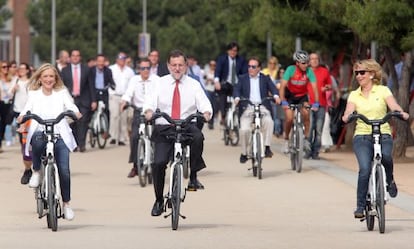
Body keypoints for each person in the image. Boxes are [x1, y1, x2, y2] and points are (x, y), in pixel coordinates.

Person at [143, 50, 212, 217]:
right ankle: (159, 200)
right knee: (159, 163)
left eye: (180, 65)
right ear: (168, 66)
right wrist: (149, 112)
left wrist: (206, 113)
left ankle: (193, 174)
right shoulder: (158, 83)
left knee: (198, 137)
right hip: (165, 126)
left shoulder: (194, 84)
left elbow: (204, 103)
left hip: (187, 124)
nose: (177, 68)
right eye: (174, 65)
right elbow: (149, 102)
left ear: (186, 66)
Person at [342, 59, 409, 219]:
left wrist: (401, 113)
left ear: (372, 74)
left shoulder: (383, 90)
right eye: (357, 73)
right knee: (364, 169)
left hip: (383, 133)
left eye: (362, 72)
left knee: (386, 157)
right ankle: (360, 205)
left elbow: (393, 106)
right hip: (362, 135)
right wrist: (347, 116)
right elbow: (349, 110)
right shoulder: (354, 94)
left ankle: (389, 180)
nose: (359, 76)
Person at [17, 63, 82, 221]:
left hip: (59, 133)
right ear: (39, 78)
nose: (48, 79)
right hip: (40, 131)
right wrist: (22, 117)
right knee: (37, 144)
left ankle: (66, 204)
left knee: (64, 170)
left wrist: (76, 112)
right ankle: (37, 171)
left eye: (51, 76)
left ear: (55, 78)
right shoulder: (34, 94)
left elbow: (71, 105)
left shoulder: (61, 92)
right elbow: (27, 109)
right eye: (45, 76)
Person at [233, 57, 280, 163]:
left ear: (259, 68)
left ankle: (267, 147)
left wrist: (276, 96)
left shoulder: (265, 78)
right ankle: (244, 153)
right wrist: (236, 98)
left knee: (269, 122)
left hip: (262, 106)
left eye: (253, 67)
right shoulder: (242, 78)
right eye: (249, 66)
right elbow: (237, 89)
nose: (250, 68)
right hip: (248, 107)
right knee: (244, 129)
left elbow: (273, 88)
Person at [121, 58, 159, 178]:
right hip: (139, 112)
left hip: (153, 113)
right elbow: (128, 93)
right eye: (143, 68)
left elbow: (161, 95)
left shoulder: (157, 80)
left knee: (156, 139)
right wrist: (124, 101)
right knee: (134, 137)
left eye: (148, 68)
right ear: (139, 69)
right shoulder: (134, 80)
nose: (145, 70)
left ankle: (156, 165)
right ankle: (136, 166)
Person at [279, 50, 319, 153]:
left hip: (302, 96)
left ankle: (305, 139)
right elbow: (282, 86)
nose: (306, 65)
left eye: (307, 62)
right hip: (290, 96)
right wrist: (283, 101)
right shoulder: (290, 70)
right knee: (289, 118)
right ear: (297, 63)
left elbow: (315, 88)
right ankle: (286, 140)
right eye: (303, 63)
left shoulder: (309, 71)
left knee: (306, 113)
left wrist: (316, 102)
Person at [61, 49, 97, 152]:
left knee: (83, 122)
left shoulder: (86, 69)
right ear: (70, 57)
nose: (75, 57)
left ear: (80, 57)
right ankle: (74, 144)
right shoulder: (65, 70)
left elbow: (91, 85)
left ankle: (82, 144)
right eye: (73, 55)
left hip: (84, 99)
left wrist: (94, 100)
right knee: (72, 123)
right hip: (71, 99)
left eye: (77, 55)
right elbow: (62, 86)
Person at [306, 53, 333, 160]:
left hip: (321, 104)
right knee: (309, 128)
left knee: (319, 129)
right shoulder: (306, 72)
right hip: (308, 104)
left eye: (316, 59)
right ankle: (307, 151)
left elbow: (330, 85)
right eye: (312, 59)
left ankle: (315, 152)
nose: (314, 61)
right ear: (309, 61)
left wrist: (326, 87)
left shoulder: (324, 71)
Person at [9, 63, 32, 184]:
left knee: (33, 140)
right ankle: (28, 168)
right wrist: (14, 88)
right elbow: (9, 95)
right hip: (19, 113)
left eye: (24, 68)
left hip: (32, 114)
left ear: (28, 70)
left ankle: (36, 165)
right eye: (20, 68)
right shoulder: (16, 80)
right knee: (24, 143)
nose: (21, 70)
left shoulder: (32, 81)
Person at [214, 41, 248, 124]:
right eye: (231, 50)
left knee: (242, 96)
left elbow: (244, 73)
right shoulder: (222, 59)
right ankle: (223, 115)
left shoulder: (241, 60)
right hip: (226, 83)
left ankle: (241, 117)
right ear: (228, 51)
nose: (233, 52)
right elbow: (217, 71)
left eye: (235, 51)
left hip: (237, 84)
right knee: (222, 92)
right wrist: (217, 81)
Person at [108, 52, 135, 146]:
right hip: (114, 95)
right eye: (120, 59)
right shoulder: (111, 69)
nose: (122, 61)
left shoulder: (130, 71)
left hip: (125, 96)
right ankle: (113, 136)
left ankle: (122, 138)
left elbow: (132, 85)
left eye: (123, 59)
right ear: (116, 60)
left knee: (124, 117)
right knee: (114, 116)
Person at [88, 53, 116, 130]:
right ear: (96, 62)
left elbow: (111, 81)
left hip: (104, 93)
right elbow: (89, 83)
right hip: (94, 92)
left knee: (106, 110)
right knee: (91, 109)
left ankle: (105, 129)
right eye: (99, 61)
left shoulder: (108, 70)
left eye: (102, 61)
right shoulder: (91, 70)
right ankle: (91, 127)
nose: (101, 63)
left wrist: (113, 86)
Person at [0, 60, 14, 152]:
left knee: (5, 124)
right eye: (4, 67)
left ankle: (0, 141)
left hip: (8, 104)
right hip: (0, 102)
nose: (6, 69)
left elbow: (11, 93)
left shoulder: (11, 79)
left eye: (7, 67)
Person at [204, 60, 218, 129]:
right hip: (208, 90)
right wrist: (207, 80)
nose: (212, 66)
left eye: (214, 65)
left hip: (214, 91)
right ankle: (209, 122)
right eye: (211, 65)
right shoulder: (207, 72)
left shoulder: (217, 73)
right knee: (209, 106)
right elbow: (204, 82)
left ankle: (212, 121)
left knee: (214, 106)